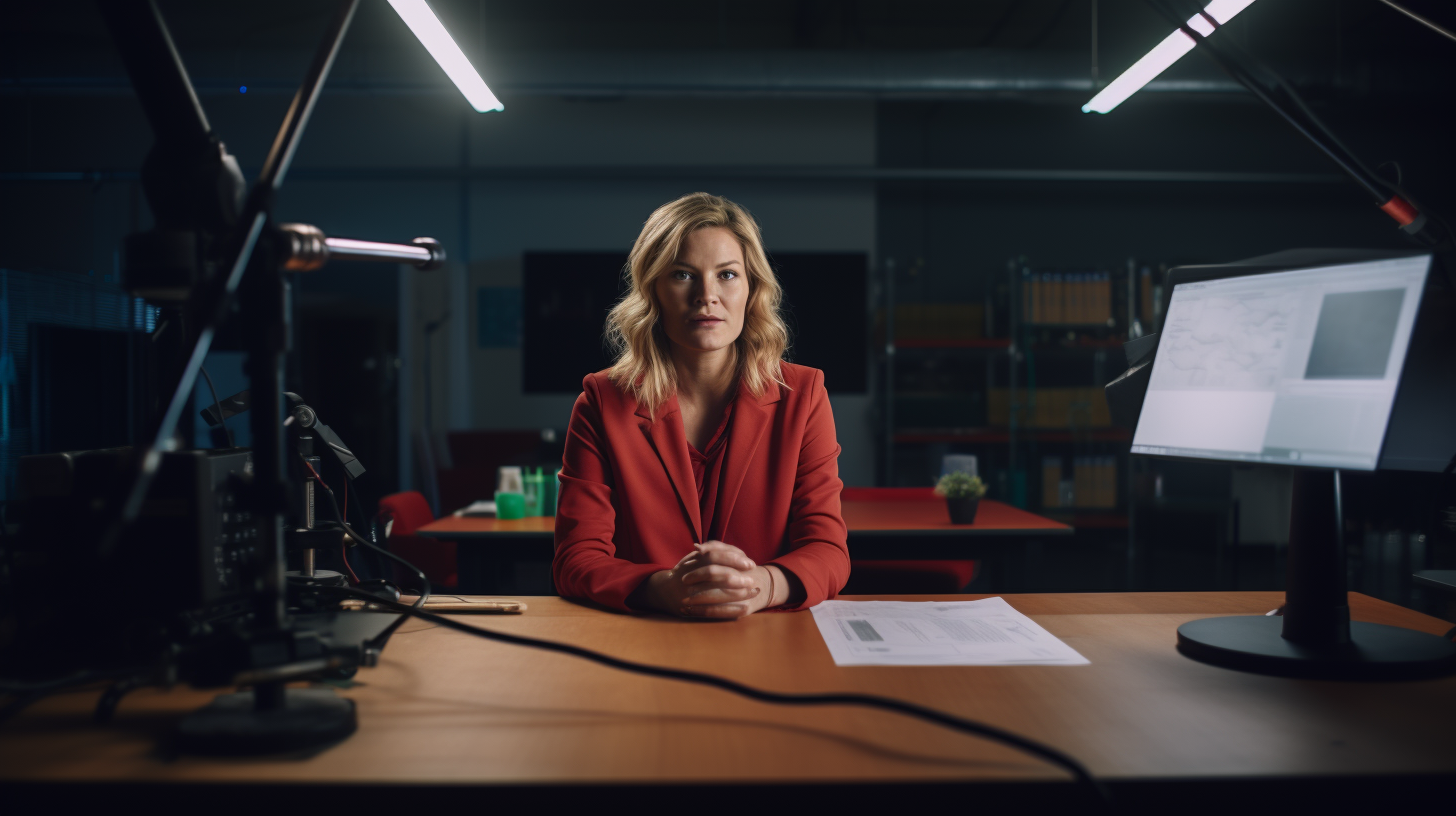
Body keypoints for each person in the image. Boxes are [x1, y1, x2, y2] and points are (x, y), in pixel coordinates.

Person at [553, 192, 850, 618]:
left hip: (770, 641)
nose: (706, 295)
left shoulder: (803, 395)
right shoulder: (601, 402)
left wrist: (760, 586)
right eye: (682, 274)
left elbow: (827, 551)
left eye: (727, 274)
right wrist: (663, 589)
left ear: (752, 289)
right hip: (642, 641)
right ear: (653, 289)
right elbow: (575, 560)